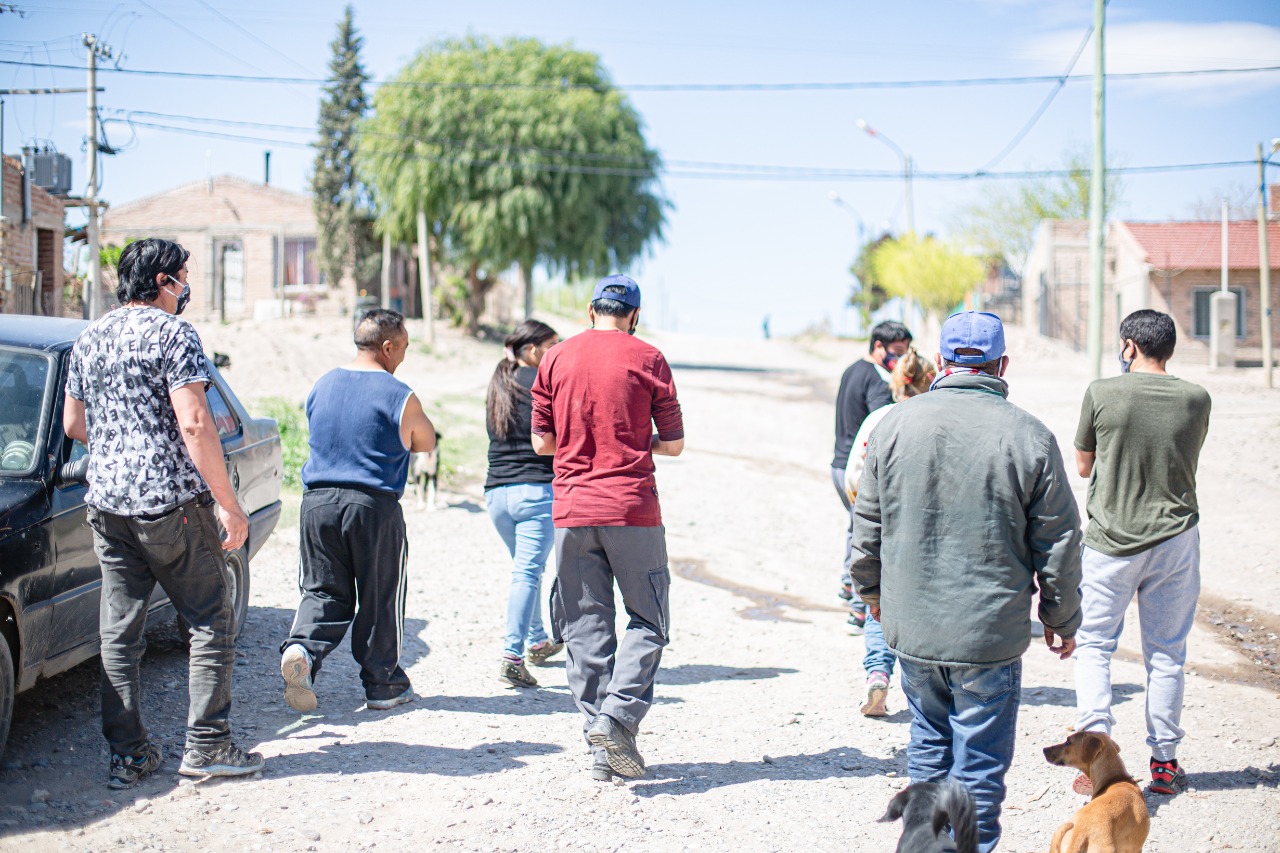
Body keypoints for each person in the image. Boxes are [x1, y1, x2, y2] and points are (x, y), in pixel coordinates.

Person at [851, 311, 1082, 853]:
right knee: (977, 769)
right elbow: (1059, 541)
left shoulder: (893, 426)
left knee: (929, 753)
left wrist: (873, 596)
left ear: (943, 361)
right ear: (1002, 364)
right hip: (989, 636)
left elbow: (867, 528)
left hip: (915, 631)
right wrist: (1060, 617)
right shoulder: (1031, 436)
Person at [63, 237, 264, 788]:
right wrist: (229, 505)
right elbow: (195, 423)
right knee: (210, 618)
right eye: (183, 277)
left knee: (119, 632)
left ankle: (129, 756)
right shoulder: (174, 334)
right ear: (162, 282)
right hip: (170, 506)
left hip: (107, 505)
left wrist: (121, 445)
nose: (186, 287)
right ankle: (208, 745)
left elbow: (74, 425)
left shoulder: (90, 336)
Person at [530, 274, 684, 782]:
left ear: (590, 310)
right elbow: (674, 443)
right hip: (632, 510)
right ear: (634, 315)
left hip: (572, 510)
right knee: (649, 620)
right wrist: (634, 442)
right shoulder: (649, 358)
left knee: (585, 626)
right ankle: (616, 720)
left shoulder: (555, 358)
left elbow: (541, 443)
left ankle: (601, 746)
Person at [1071, 309, 1211, 797]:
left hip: (1111, 541)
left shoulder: (1102, 392)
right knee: (1167, 653)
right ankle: (1165, 763)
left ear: (1129, 346)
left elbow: (1084, 466)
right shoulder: (1197, 398)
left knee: (1094, 644)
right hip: (1176, 539)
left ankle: (1094, 755)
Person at [279, 309, 436, 713]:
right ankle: (383, 685)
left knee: (322, 590)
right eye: (404, 347)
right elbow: (425, 441)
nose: (404, 356)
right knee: (380, 595)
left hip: (316, 503)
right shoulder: (399, 393)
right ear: (388, 347)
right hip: (372, 506)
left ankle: (302, 649)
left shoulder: (322, 384)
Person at [842, 348, 936, 717]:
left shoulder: (878, 419)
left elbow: (854, 475)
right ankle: (925, 686)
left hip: (884, 527)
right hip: (925, 529)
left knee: (879, 606)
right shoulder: (936, 420)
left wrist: (862, 509)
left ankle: (878, 673)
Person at [485, 319, 564, 689]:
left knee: (525, 570)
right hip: (535, 492)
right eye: (552, 345)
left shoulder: (498, 381)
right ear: (532, 350)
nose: (557, 352)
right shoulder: (544, 381)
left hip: (496, 494)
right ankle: (512, 657)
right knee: (527, 574)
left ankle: (537, 640)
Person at [833, 320, 912, 633]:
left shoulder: (851, 370)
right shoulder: (879, 382)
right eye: (897, 351)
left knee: (855, 528)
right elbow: (884, 426)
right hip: (858, 469)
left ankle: (846, 584)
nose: (900, 358)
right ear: (879, 346)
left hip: (839, 465)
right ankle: (858, 610)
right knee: (867, 535)